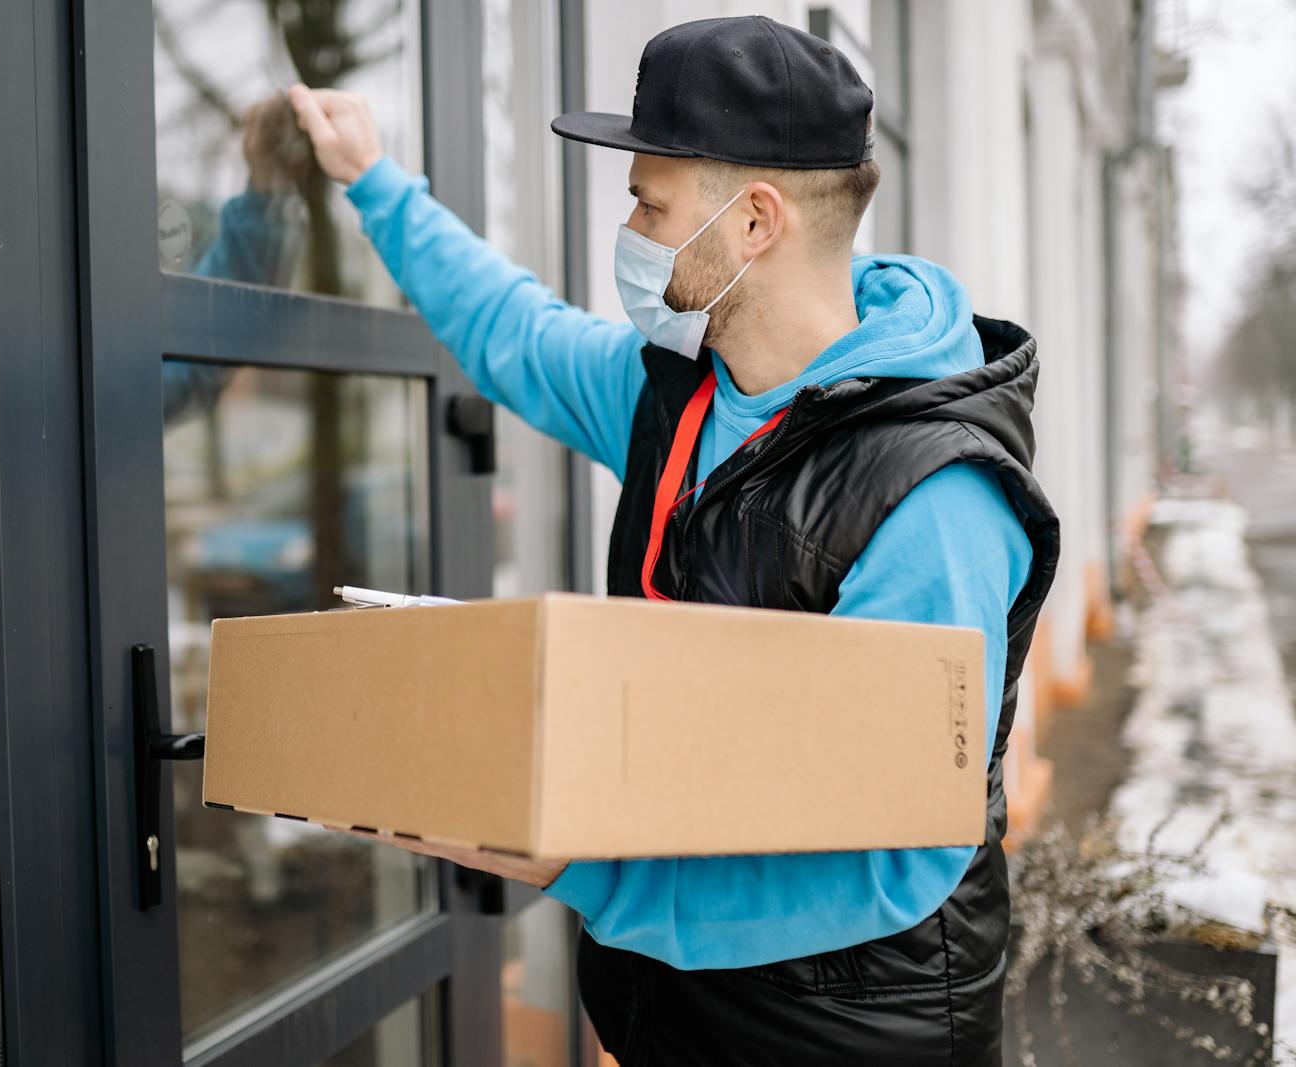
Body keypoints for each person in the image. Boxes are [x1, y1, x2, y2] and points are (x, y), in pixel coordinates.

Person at [290, 15, 1059, 1065]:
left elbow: (890, 857)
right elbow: (513, 331)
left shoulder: (933, 495)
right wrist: (375, 181)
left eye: (649, 204)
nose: (631, 231)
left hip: (837, 1035)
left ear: (754, 222)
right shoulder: (679, 393)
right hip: (665, 1010)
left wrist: (582, 865)